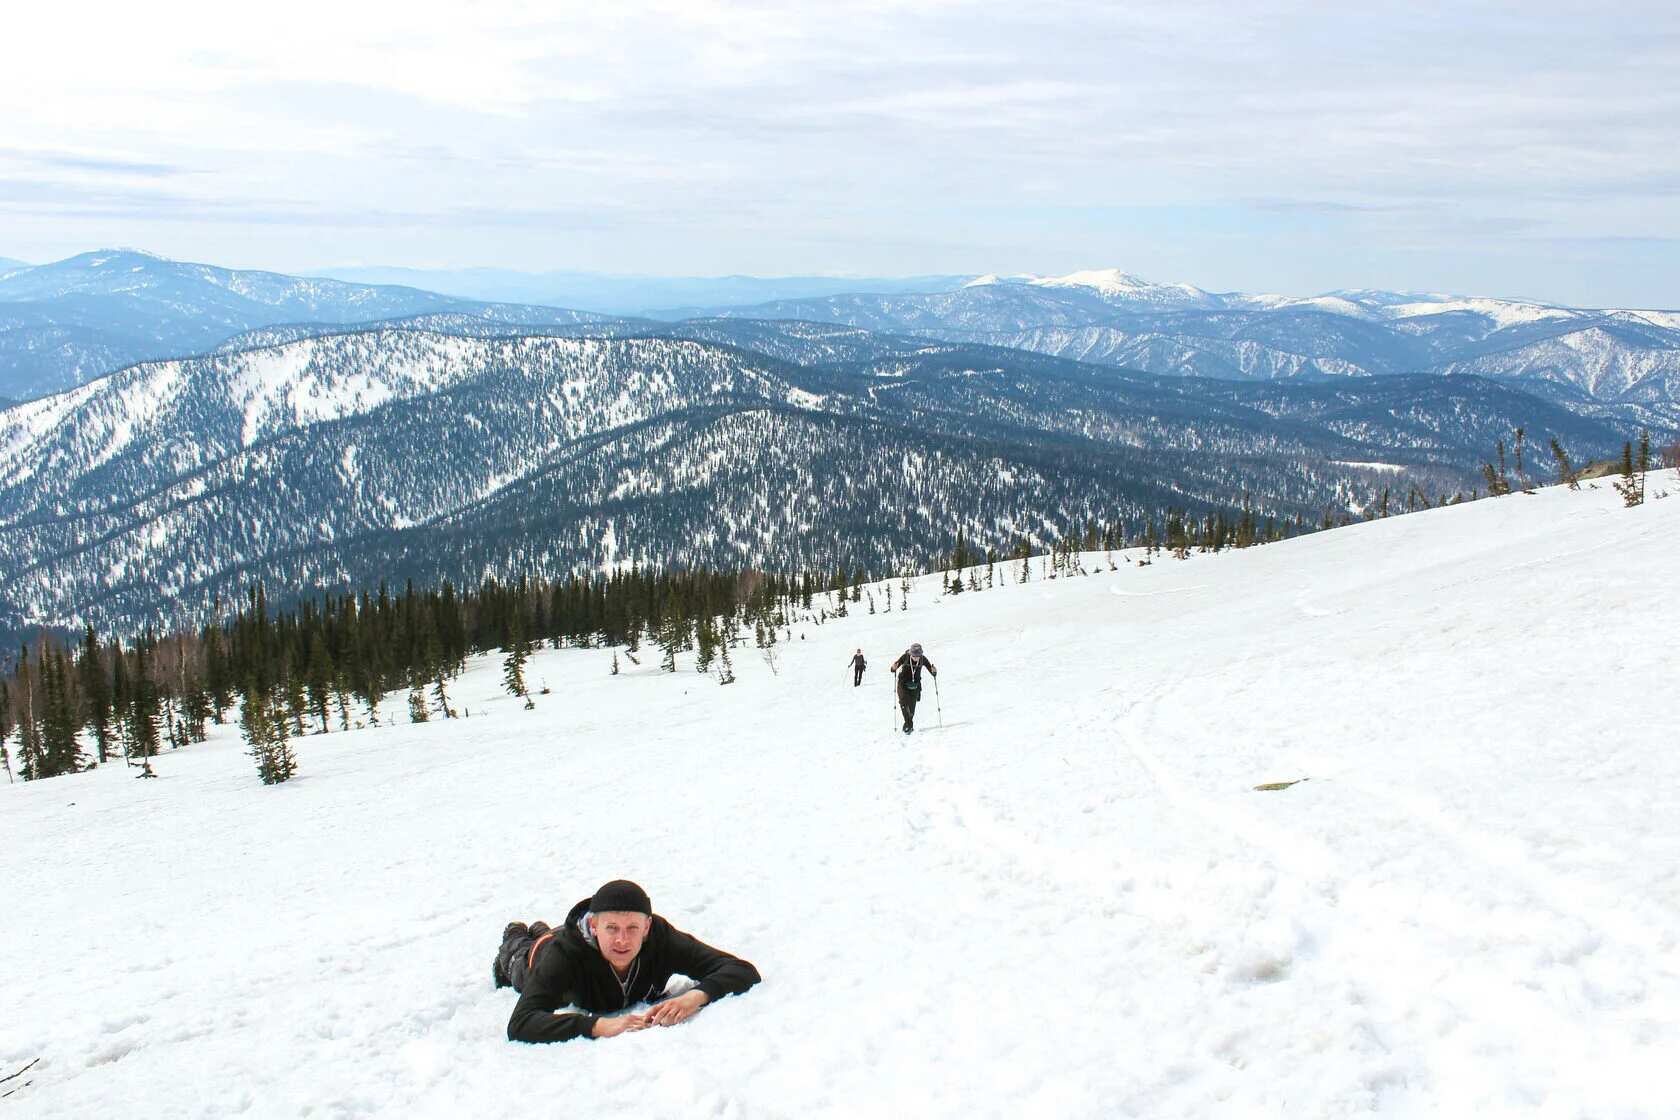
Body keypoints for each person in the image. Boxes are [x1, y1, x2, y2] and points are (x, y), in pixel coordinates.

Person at [493, 879, 761, 1044]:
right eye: (612, 928)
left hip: (569, 937)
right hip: (544, 952)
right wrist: (596, 1025)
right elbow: (521, 1023)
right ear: (595, 925)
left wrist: (695, 997)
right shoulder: (565, 955)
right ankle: (516, 935)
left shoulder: (662, 938)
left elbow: (741, 969)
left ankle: (540, 927)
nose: (622, 940)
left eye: (632, 928)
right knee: (518, 960)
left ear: (647, 927)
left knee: (545, 933)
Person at [888, 642, 937, 733]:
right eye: (914, 656)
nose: (915, 658)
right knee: (903, 702)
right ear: (910, 653)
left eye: (917, 656)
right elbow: (893, 668)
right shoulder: (905, 657)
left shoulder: (923, 659)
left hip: (915, 685)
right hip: (903, 683)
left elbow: (931, 670)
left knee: (911, 709)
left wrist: (934, 671)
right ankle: (908, 725)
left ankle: (907, 725)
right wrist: (893, 668)